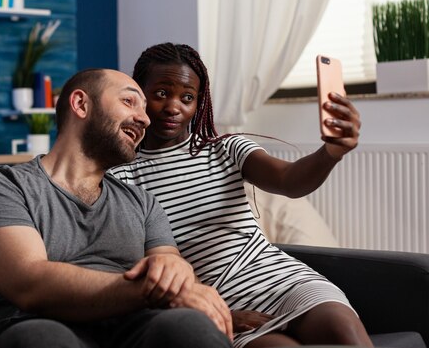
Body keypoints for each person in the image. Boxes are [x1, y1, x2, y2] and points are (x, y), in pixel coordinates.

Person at [109, 43, 373, 348]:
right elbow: (134, 269)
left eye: (187, 97)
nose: (174, 107)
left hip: (283, 280)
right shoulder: (122, 176)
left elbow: (290, 181)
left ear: (199, 102)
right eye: (161, 94)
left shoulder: (226, 148)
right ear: (139, 95)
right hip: (218, 302)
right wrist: (210, 313)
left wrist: (331, 153)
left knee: (348, 335)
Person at [0, 68, 233, 348]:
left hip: (137, 329)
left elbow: (173, 268)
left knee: (188, 326)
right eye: (129, 102)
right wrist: (154, 290)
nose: (145, 118)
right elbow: (30, 284)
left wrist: (178, 274)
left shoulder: (142, 203)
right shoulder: (4, 187)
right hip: (47, 327)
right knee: (39, 339)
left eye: (143, 109)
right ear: (80, 104)